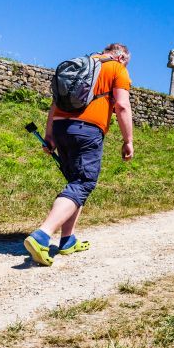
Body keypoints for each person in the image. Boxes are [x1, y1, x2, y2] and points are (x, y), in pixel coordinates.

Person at [23, 43, 134, 266]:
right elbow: (122, 106)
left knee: (75, 183)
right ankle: (42, 235)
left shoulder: (81, 63)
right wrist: (128, 140)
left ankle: (67, 240)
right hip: (87, 130)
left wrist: (49, 135)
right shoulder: (116, 68)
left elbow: (55, 103)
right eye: (127, 62)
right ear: (121, 56)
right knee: (83, 182)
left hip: (61, 128)